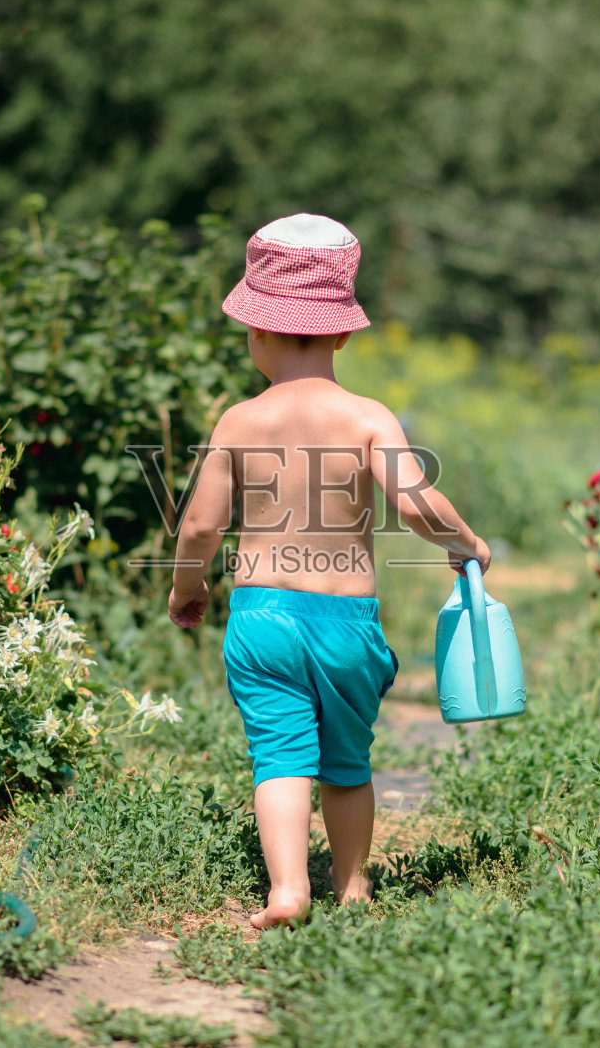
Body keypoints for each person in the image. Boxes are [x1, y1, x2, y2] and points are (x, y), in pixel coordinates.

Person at [167, 213, 491, 929]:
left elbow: (199, 525)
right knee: (347, 763)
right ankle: (353, 886)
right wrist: (464, 542)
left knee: (280, 755)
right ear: (343, 332)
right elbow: (414, 504)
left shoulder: (239, 421)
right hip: (346, 624)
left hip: (262, 620)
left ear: (256, 333)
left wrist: (186, 588)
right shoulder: (368, 417)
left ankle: (287, 891)